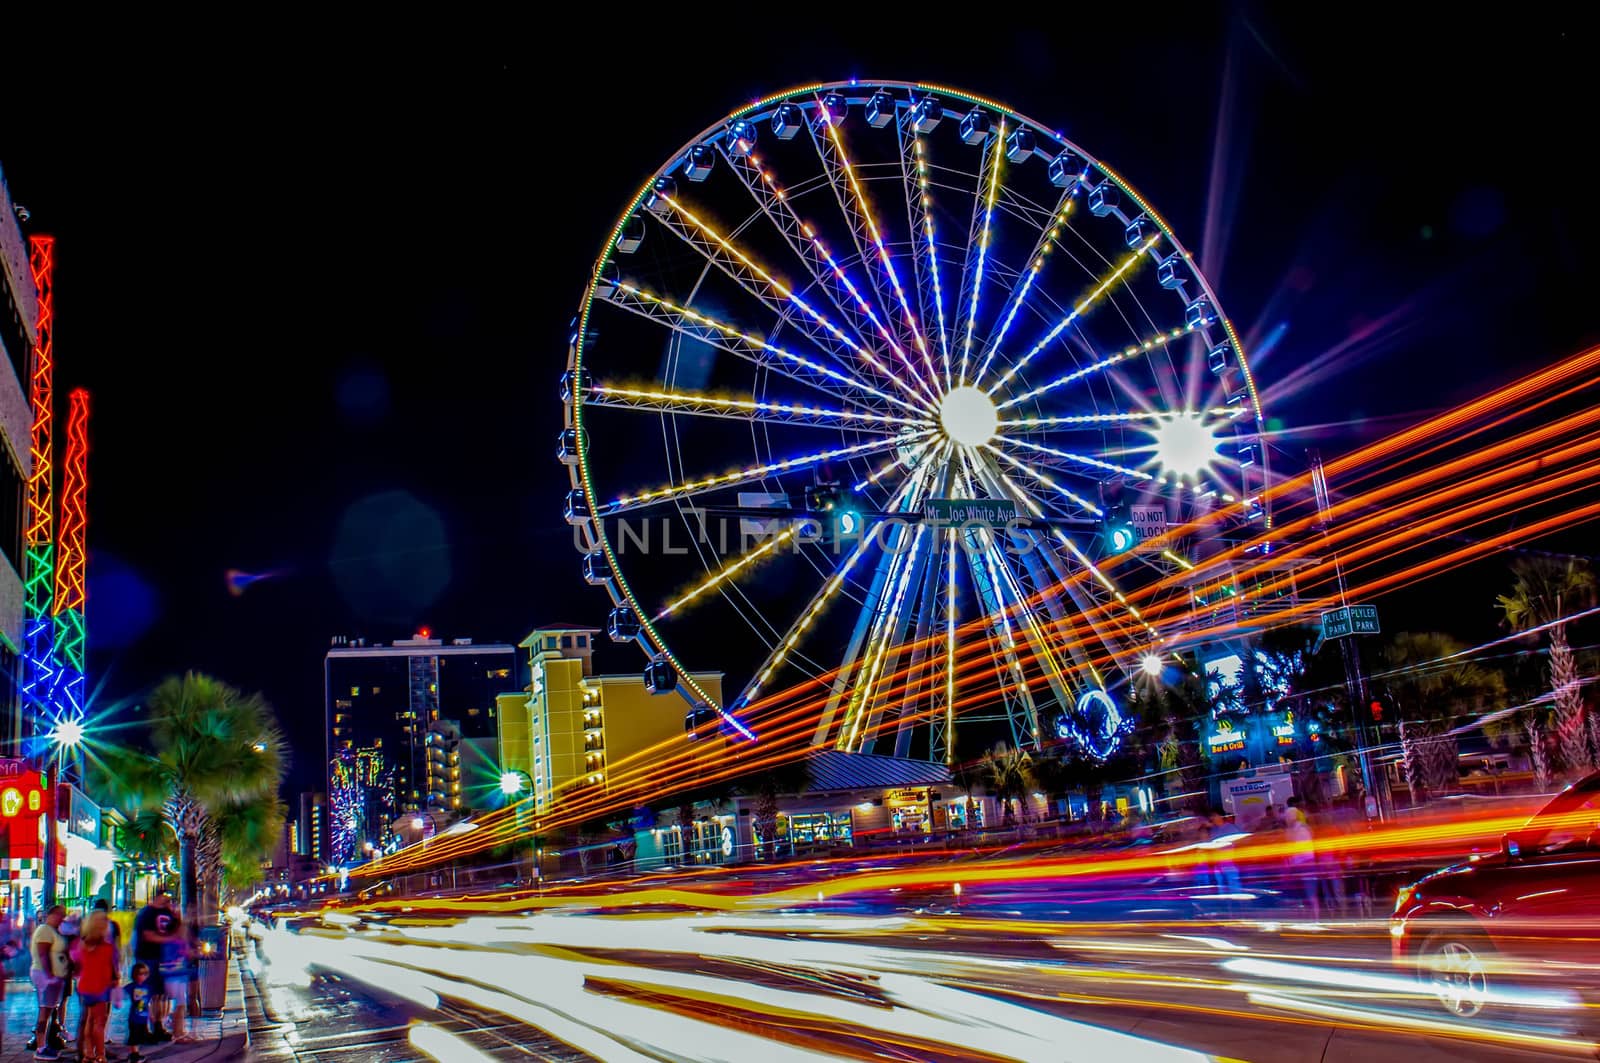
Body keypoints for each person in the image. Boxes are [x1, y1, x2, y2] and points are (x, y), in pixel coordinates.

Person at [71, 911, 119, 1063]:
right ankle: (100, 1054)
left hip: (85, 986)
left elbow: (77, 964)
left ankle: (88, 1053)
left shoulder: (81, 944)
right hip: (100, 986)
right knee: (99, 1022)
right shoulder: (107, 947)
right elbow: (110, 969)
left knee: (89, 1020)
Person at [132, 893, 176, 1041]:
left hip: (162, 958)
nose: (167, 901)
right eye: (164, 898)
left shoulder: (167, 913)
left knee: (159, 995)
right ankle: (141, 1028)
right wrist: (169, 939)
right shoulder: (146, 913)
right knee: (144, 994)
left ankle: (158, 1025)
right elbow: (147, 935)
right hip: (147, 957)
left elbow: (178, 927)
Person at [30, 904, 70, 1060]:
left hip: (53, 975)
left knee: (47, 1010)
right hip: (46, 975)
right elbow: (43, 954)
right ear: (51, 915)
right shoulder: (45, 930)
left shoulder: (53, 931)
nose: (63, 918)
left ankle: (43, 1045)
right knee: (44, 1011)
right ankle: (40, 1047)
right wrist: (49, 975)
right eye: (60, 914)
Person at [158, 912, 193, 1043]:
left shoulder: (165, 941)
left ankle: (177, 1031)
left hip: (169, 977)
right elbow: (187, 955)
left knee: (174, 1006)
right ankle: (178, 1033)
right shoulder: (178, 942)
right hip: (177, 977)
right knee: (180, 1006)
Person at [126, 963, 154, 1059]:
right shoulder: (132, 986)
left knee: (140, 1035)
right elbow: (122, 992)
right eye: (139, 974)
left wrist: (151, 1014)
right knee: (134, 1035)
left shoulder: (148, 987)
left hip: (143, 1016)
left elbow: (148, 1002)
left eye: (144, 974)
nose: (142, 976)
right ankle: (134, 1054)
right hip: (134, 1016)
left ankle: (136, 1053)